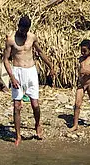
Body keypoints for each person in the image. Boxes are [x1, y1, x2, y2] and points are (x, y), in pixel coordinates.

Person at [3, 15, 54, 146]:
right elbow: (6, 60)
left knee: (35, 104)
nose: (23, 32)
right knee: (17, 106)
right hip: (17, 71)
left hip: (31, 71)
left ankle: (37, 124)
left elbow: (40, 52)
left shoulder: (32, 37)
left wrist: (51, 66)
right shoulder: (11, 40)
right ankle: (18, 135)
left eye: (26, 30)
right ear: (18, 26)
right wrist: (12, 77)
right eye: (21, 29)